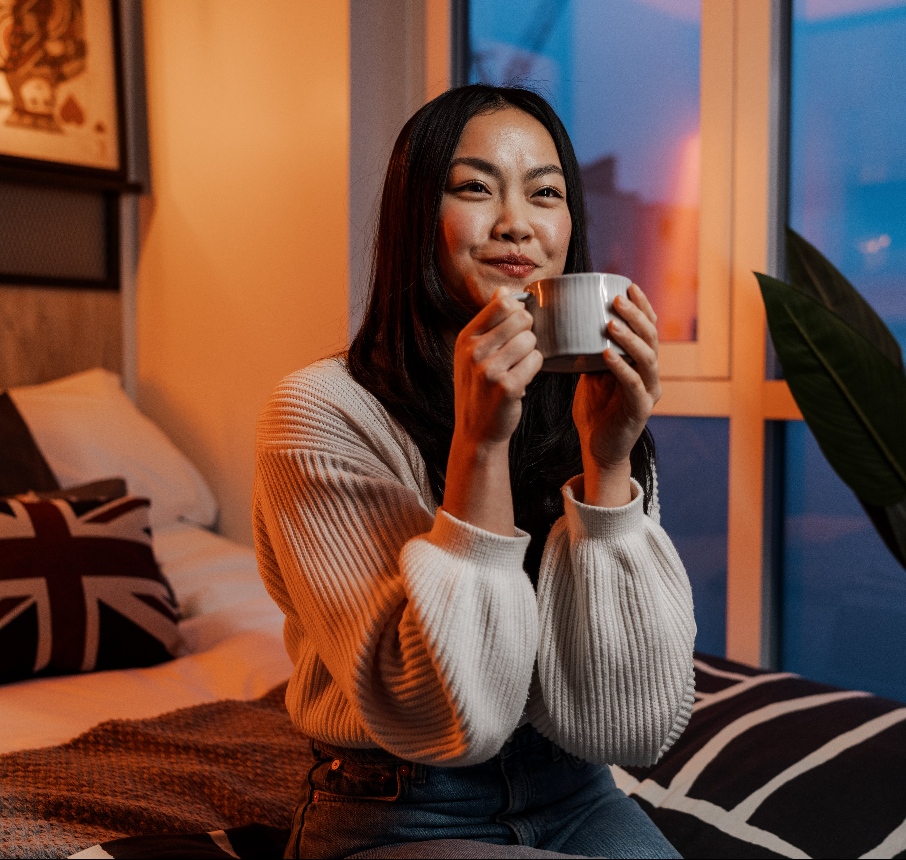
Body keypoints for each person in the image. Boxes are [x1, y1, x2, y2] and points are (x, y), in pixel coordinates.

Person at [253, 84, 695, 860]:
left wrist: (611, 461)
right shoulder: (320, 413)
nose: (516, 223)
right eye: (473, 188)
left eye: (546, 193)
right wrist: (480, 449)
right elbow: (448, 720)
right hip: (399, 806)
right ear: (418, 216)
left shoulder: (592, 407)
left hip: (576, 792)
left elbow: (628, 724)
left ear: (570, 227)